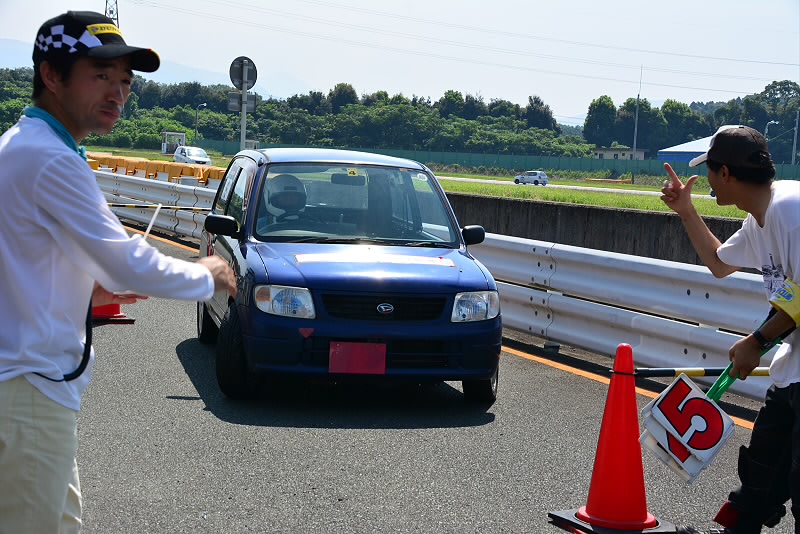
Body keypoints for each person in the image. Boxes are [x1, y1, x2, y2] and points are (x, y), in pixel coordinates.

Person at [0, 11, 236, 533]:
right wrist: (207, 275)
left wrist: (80, 292)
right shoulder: (50, 158)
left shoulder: (25, 147)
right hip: (28, 392)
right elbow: (124, 260)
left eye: (125, 81)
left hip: (27, 389)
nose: (118, 93)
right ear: (51, 76)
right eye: (101, 75)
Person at [661, 125, 800, 533]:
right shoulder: (762, 218)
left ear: (725, 173)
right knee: (760, 476)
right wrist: (687, 211)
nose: (706, 180)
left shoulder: (790, 212)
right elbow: (720, 263)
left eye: (709, 170)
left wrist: (757, 341)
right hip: (793, 370)